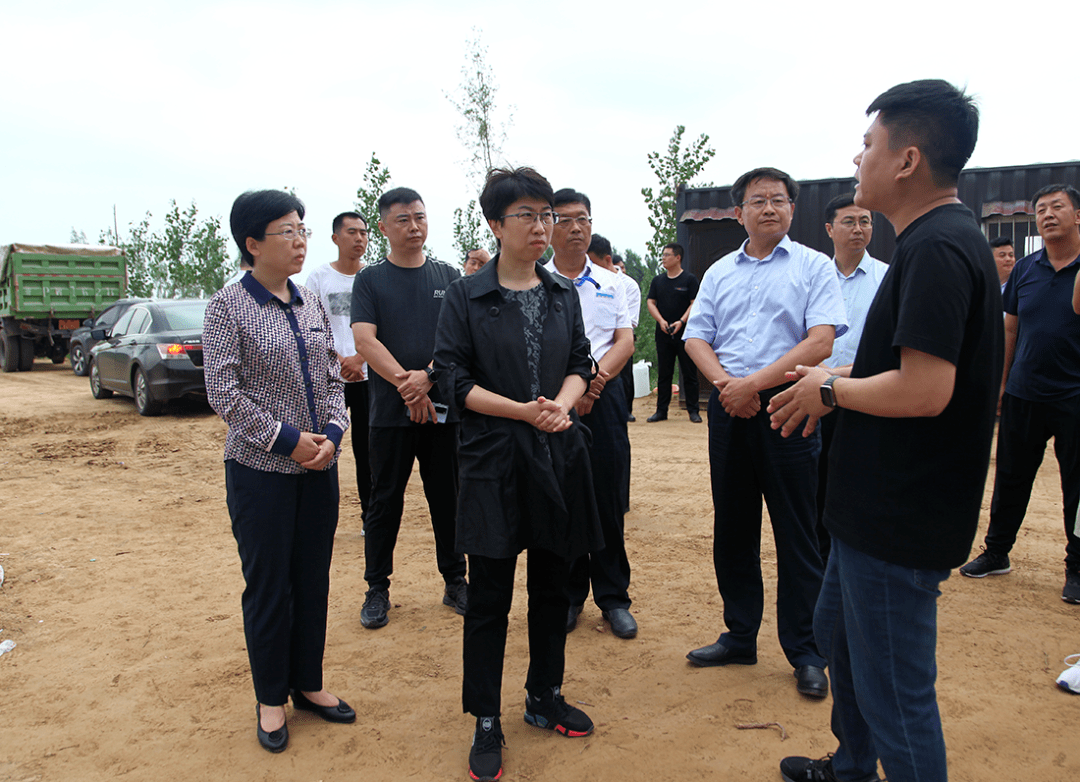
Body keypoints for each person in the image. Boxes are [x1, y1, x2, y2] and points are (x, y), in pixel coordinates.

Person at [768, 79, 1002, 782]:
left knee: (899, 695)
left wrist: (828, 387)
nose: (857, 156)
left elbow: (927, 390)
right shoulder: (935, 242)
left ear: (905, 160)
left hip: (901, 519)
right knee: (842, 640)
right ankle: (849, 766)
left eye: (869, 143)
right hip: (870, 513)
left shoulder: (936, 248)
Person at [433, 166, 602, 782]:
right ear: (496, 225)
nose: (542, 226)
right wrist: (523, 412)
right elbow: (450, 378)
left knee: (554, 587)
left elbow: (582, 362)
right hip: (493, 461)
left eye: (546, 214)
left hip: (558, 455)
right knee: (491, 597)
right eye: (527, 215)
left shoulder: (563, 294)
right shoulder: (466, 296)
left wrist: (562, 400)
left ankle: (543, 694)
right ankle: (485, 715)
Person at [682, 166, 846, 700]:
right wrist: (728, 385)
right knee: (733, 528)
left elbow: (820, 342)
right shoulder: (717, 272)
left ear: (792, 210)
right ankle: (739, 634)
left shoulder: (814, 267)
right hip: (730, 411)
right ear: (739, 213)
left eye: (778, 200)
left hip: (789, 409)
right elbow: (696, 338)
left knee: (799, 533)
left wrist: (751, 383)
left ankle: (807, 650)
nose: (769, 208)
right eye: (758, 201)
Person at [203, 190, 356, 754]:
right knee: (270, 586)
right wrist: (288, 442)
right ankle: (272, 697)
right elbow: (224, 392)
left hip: (321, 467)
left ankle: (308, 682)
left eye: (302, 230)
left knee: (313, 579)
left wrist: (334, 436)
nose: (299, 241)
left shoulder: (310, 302)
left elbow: (332, 379)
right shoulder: (227, 307)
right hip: (261, 472)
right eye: (286, 231)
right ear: (252, 244)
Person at [351, 187, 468, 629]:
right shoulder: (371, 280)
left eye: (419, 217)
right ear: (383, 227)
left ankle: (455, 581)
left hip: (443, 411)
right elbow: (365, 340)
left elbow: (458, 340)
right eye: (403, 219)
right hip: (389, 412)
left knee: (448, 498)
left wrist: (428, 379)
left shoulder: (448, 275)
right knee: (385, 501)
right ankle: (377, 587)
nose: (414, 226)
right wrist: (407, 386)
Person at [960, 185, 1080, 604]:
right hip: (1024, 392)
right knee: (1010, 477)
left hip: (1074, 397)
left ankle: (1077, 567)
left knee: (1077, 488)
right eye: (1041, 209)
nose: (1048, 215)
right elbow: (1009, 328)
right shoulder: (1027, 269)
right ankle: (996, 552)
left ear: (1077, 215)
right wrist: (1001, 381)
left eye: (1057, 207)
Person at [545, 189, 637, 640]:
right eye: (566, 220)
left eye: (584, 219)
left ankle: (613, 597)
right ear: (549, 226)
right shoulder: (535, 283)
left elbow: (624, 340)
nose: (577, 228)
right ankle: (567, 597)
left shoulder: (614, 283)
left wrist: (595, 381)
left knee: (606, 495)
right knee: (562, 499)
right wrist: (571, 388)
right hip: (553, 404)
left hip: (605, 398)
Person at [815, 194, 888, 562]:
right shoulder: (813, 276)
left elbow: (890, 348)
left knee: (863, 482)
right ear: (830, 229)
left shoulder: (888, 277)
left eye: (866, 221)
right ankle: (821, 559)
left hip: (865, 393)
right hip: (814, 394)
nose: (859, 229)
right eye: (849, 221)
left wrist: (837, 374)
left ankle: (857, 559)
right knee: (817, 483)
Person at [304, 212, 372, 530]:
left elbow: (384, 325)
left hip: (367, 375)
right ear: (335, 239)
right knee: (322, 443)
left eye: (363, 232)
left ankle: (369, 517)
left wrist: (358, 359)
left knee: (367, 449)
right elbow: (311, 327)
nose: (359, 238)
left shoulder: (373, 277)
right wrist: (340, 362)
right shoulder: (318, 279)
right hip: (330, 378)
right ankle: (318, 516)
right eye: (352, 232)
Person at [646, 243, 701, 423]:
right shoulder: (658, 281)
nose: (663, 258)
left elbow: (694, 303)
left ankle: (693, 411)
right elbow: (650, 302)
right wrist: (661, 321)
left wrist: (682, 321)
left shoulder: (689, 280)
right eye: (662, 255)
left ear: (678, 257)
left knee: (689, 373)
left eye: (667, 255)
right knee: (664, 373)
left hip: (684, 333)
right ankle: (661, 411)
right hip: (663, 333)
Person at [588, 238, 641, 423]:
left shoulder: (627, 285)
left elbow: (630, 324)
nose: (589, 267)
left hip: (618, 346)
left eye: (593, 262)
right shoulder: (583, 281)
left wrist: (595, 376)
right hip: (585, 365)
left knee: (624, 379)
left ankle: (626, 410)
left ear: (608, 260)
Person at [612, 254, 640, 422]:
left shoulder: (629, 285)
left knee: (625, 375)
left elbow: (631, 319)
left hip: (623, 336)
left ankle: (626, 410)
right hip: (597, 338)